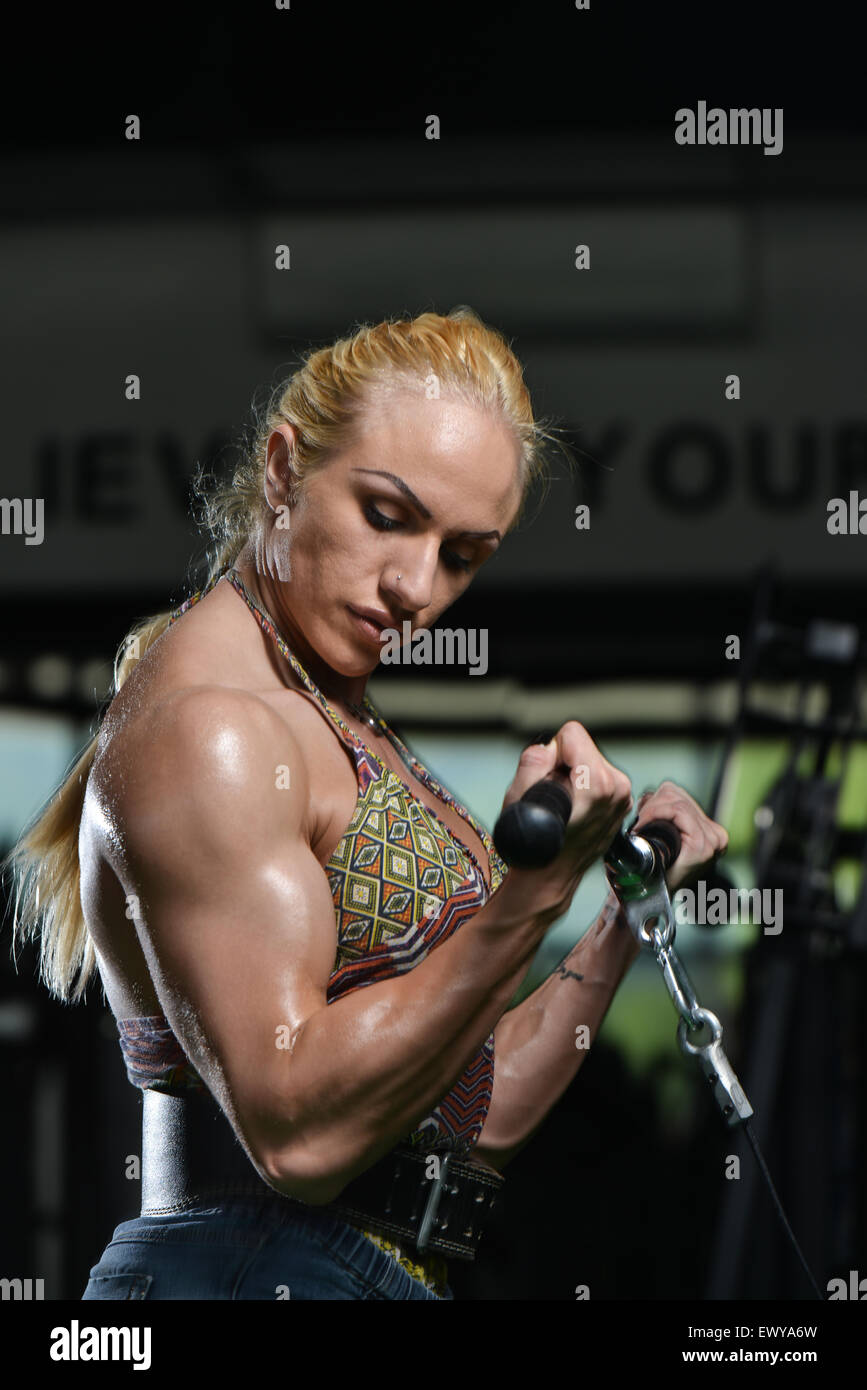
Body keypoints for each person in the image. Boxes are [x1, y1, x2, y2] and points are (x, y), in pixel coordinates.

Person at [4, 307, 728, 1300]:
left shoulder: (326, 710)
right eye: (388, 515)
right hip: (245, 1272)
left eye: (462, 555)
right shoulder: (212, 728)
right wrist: (529, 895)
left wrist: (616, 911)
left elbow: (477, 1115)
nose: (415, 587)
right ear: (283, 469)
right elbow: (297, 1135)